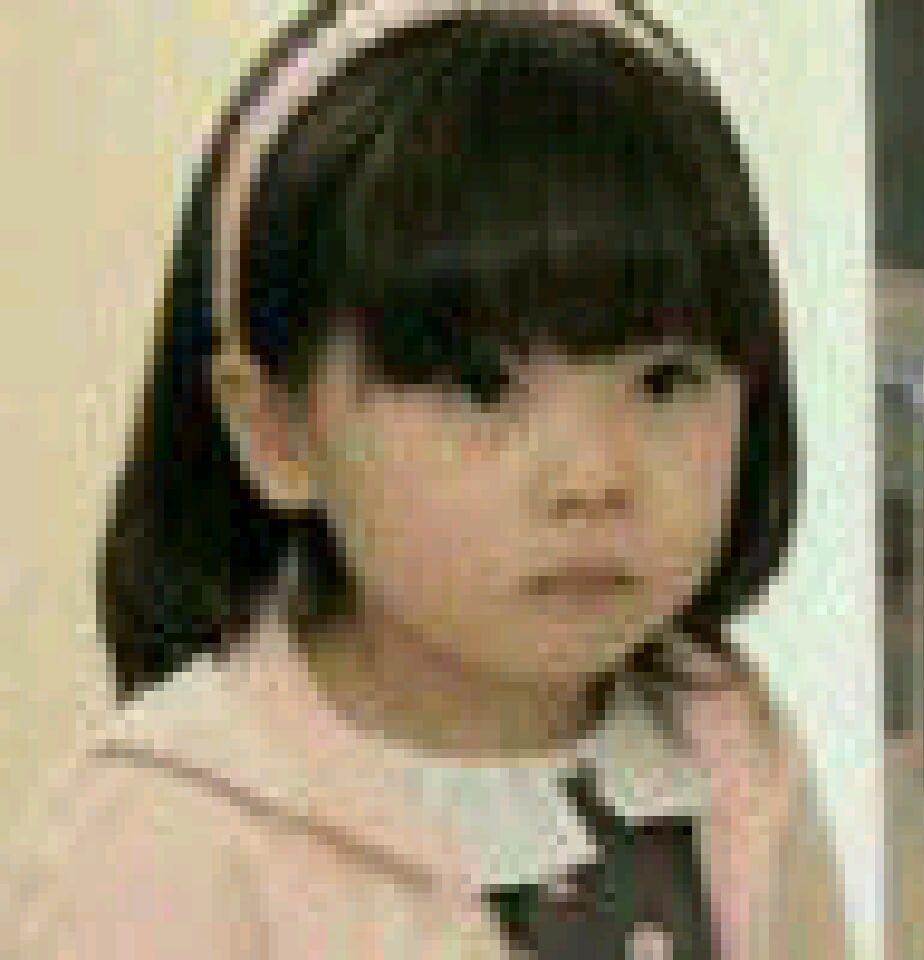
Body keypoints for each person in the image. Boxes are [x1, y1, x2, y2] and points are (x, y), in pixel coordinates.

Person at [0, 0, 848, 956]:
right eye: (481, 386)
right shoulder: (166, 832)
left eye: (664, 380)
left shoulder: (734, 749)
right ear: (276, 431)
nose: (594, 477)